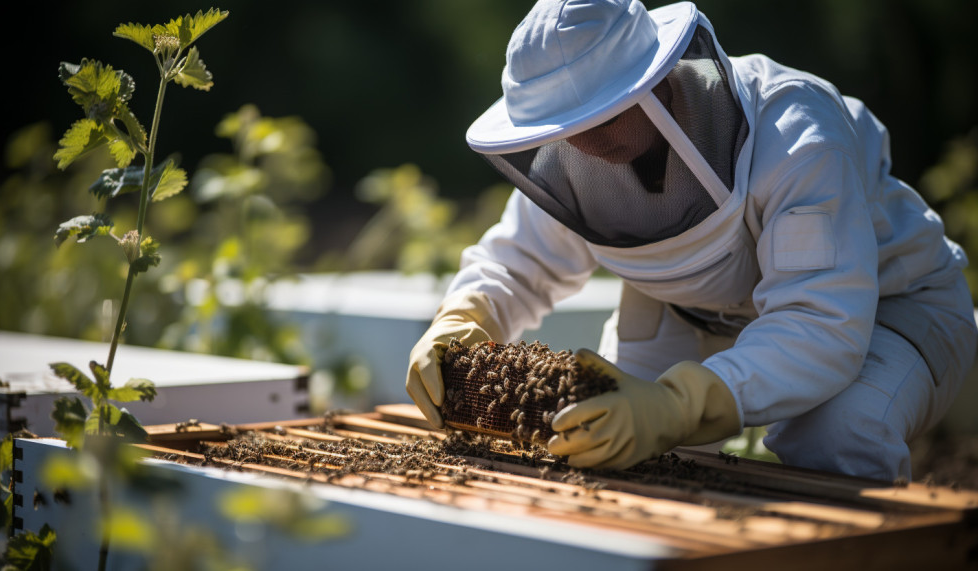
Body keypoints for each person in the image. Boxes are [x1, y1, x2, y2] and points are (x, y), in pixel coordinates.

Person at [405, 0, 977, 481]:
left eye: (601, 116)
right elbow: (515, 261)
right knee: (602, 437)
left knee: (837, 437)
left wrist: (678, 406)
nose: (585, 145)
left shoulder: (796, 134)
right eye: (563, 128)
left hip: (888, 307)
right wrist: (463, 316)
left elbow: (820, 321)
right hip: (698, 313)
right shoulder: (581, 149)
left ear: (658, 81)